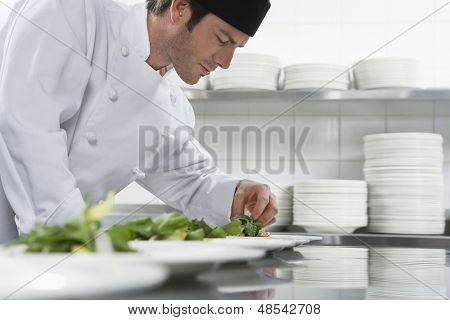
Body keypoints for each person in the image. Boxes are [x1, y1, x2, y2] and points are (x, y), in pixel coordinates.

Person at [0, 0, 277, 243]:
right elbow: (25, 124)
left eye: (236, 48)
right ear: (180, 8)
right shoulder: (75, 13)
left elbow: (192, 182)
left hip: (47, 256)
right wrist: (73, 233)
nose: (226, 62)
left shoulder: (170, 110)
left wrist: (236, 194)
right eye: (222, 40)